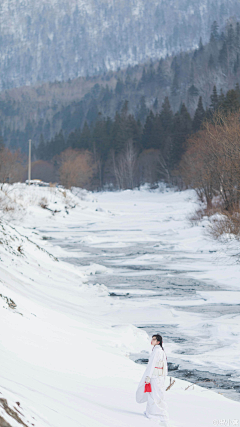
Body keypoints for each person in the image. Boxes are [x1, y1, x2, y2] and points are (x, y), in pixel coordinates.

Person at [136, 334, 170, 426]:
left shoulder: (156, 351)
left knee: (153, 395)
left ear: (158, 342)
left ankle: (154, 413)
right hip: (159, 376)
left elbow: (151, 365)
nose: (152, 341)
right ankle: (155, 412)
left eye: (154, 339)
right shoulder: (161, 351)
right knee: (157, 394)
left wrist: (148, 376)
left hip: (154, 376)